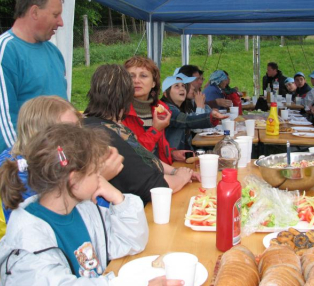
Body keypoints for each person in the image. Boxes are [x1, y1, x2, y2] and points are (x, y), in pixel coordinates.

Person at [0, 123, 149, 284]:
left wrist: (118, 198)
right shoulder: (28, 245)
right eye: (95, 172)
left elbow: (131, 242)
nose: (100, 178)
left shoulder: (83, 209)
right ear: (74, 180)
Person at [0, 96, 124, 237]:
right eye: (71, 130)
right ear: (46, 137)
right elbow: (61, 226)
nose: (81, 134)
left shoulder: (65, 162)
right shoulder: (25, 177)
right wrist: (94, 178)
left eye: (79, 126)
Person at [84, 64, 199, 205]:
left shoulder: (93, 124)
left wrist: (175, 171)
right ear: (127, 97)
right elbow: (152, 186)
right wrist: (180, 178)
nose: (138, 81)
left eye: (143, 76)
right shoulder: (108, 135)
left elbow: (144, 155)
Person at [0, 0, 68, 153]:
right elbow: (4, 124)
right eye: (55, 15)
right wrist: (26, 167)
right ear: (34, 12)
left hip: (59, 157)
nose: (61, 23)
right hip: (31, 165)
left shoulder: (53, 51)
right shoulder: (6, 51)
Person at [123, 56, 187, 164]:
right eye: (131, 76)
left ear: (153, 83)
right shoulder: (118, 112)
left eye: (143, 76)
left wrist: (171, 154)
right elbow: (132, 155)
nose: (136, 80)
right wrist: (155, 130)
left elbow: (156, 147)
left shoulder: (160, 109)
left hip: (160, 171)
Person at [161, 75, 227, 150]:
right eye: (176, 86)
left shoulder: (177, 107)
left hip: (180, 152)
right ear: (165, 93)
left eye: (183, 86)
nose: (182, 89)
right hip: (171, 157)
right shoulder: (166, 109)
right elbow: (186, 120)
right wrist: (210, 116)